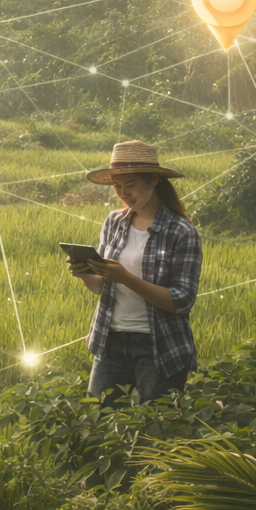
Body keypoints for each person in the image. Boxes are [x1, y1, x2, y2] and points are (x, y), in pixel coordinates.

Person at [68, 140, 203, 405]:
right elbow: (101, 286)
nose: (123, 193)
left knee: (155, 432)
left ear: (153, 179)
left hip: (159, 345)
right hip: (111, 340)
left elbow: (181, 301)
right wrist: (84, 271)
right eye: (117, 186)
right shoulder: (114, 221)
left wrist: (127, 278)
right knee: (99, 424)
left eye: (130, 185)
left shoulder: (182, 232)